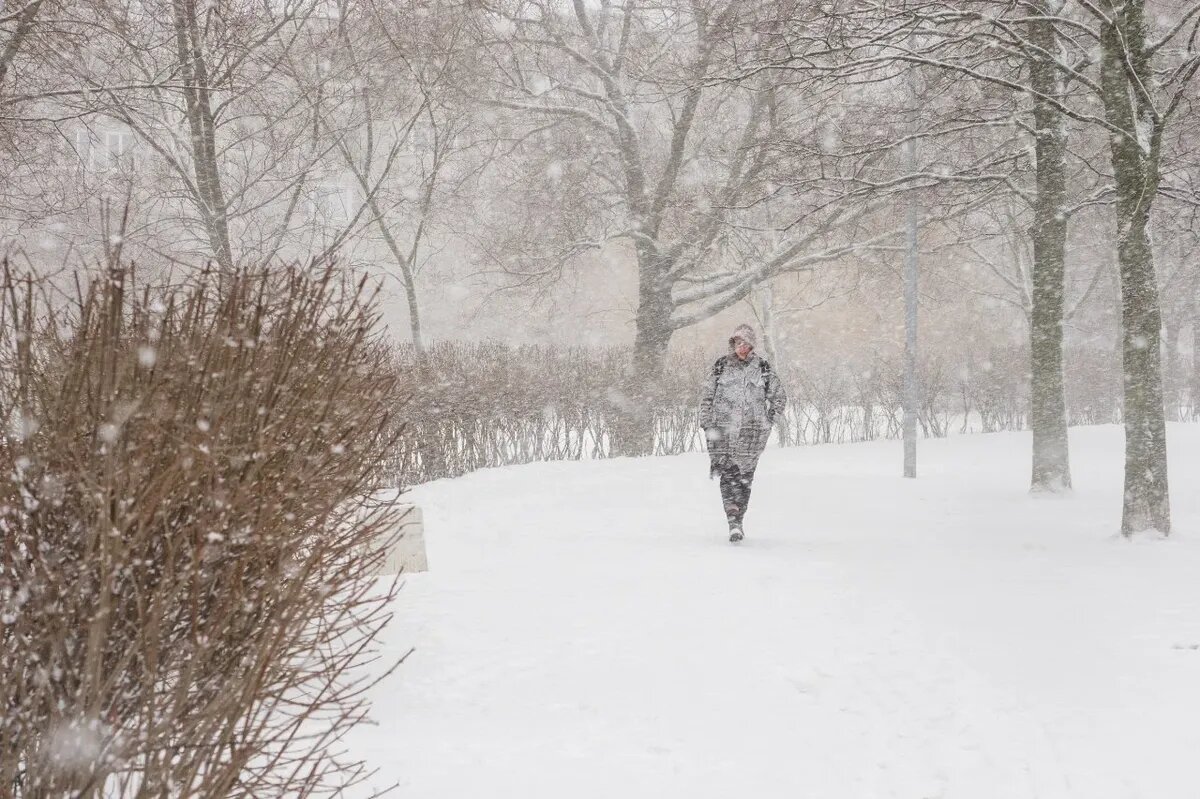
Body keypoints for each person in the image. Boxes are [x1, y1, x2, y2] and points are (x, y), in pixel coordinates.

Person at [699, 324, 787, 543]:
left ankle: (740, 518)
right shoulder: (721, 366)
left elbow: (779, 397)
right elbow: (706, 396)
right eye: (738, 343)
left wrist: (767, 421)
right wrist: (707, 423)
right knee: (728, 478)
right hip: (723, 434)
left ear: (752, 345)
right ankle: (733, 522)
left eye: (746, 343)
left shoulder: (763, 368)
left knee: (745, 481)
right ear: (733, 344)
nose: (742, 348)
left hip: (751, 436)